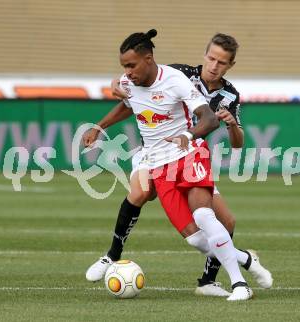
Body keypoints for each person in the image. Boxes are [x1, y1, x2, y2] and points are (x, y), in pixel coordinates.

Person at [84, 30, 272, 300]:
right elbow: (135, 94)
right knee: (143, 194)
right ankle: (111, 256)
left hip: (189, 153)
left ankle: (219, 281)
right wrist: (106, 110)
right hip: (155, 156)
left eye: (221, 62)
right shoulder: (181, 73)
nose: (214, 65)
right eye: (211, 58)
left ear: (230, 65)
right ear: (205, 55)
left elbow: (232, 138)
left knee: (221, 219)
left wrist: (226, 126)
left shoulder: (228, 95)